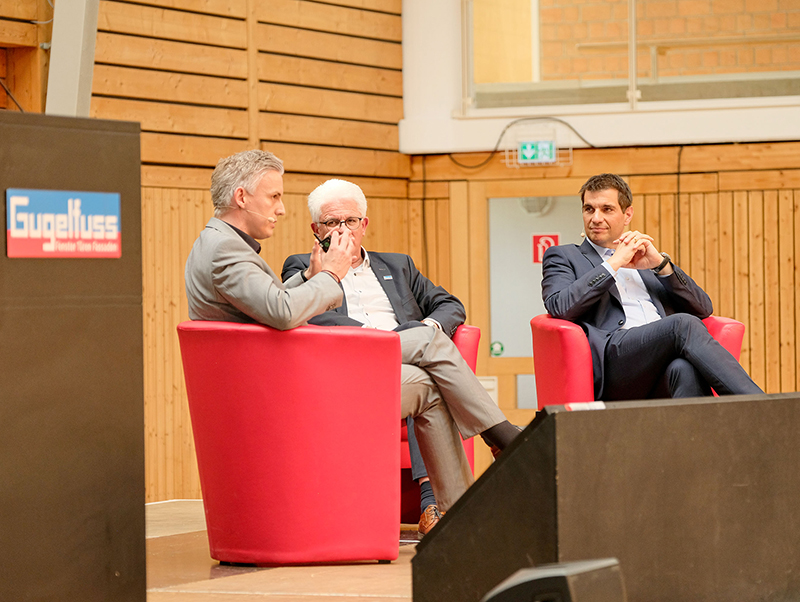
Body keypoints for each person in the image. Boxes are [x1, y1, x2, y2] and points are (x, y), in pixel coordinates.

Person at [281, 178, 520, 533]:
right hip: (350, 365)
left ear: (365, 224)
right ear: (317, 230)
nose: (343, 230)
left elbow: (450, 305)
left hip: (401, 368)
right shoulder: (303, 267)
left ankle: (457, 520)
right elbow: (316, 317)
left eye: (350, 221)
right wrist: (401, 338)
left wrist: (423, 328)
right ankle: (502, 437)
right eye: (332, 223)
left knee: (429, 379)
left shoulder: (397, 266)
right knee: (427, 342)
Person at [541, 173, 763, 401]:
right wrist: (613, 263)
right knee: (682, 325)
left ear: (627, 214)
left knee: (683, 370)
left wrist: (661, 265)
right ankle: (760, 407)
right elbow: (560, 305)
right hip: (614, 363)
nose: (596, 218)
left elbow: (703, 308)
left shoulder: (645, 260)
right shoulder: (564, 255)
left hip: (658, 363)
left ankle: (699, 437)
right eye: (589, 209)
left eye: (607, 209)